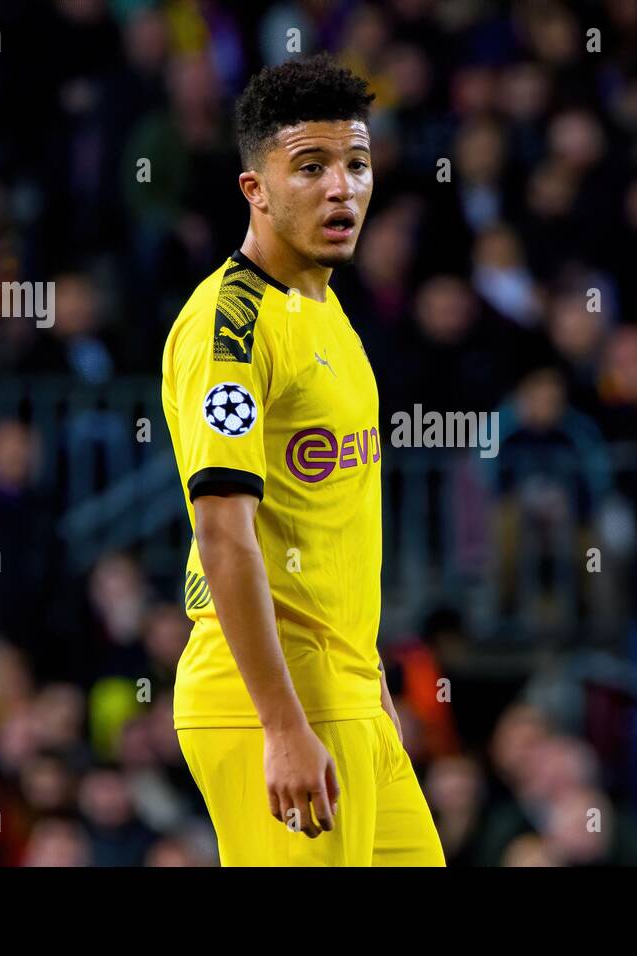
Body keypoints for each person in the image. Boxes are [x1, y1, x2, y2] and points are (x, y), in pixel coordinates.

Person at [160, 54, 444, 866]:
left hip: (348, 687)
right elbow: (223, 536)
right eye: (310, 167)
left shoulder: (326, 306)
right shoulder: (231, 326)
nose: (341, 188)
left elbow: (328, 522)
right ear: (255, 189)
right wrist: (283, 724)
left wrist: (373, 678)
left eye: (357, 165)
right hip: (268, 702)